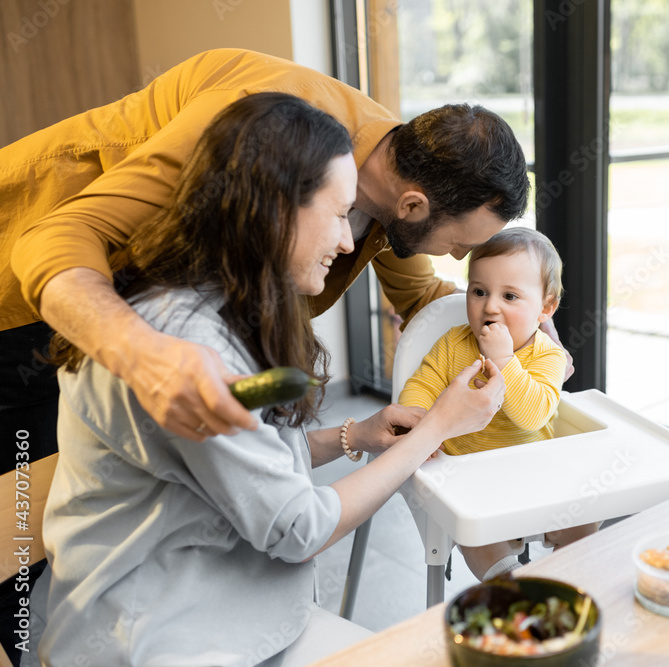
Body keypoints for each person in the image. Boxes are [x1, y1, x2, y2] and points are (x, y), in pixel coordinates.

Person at [29, 93, 506, 666]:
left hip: (239, 620)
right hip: (156, 645)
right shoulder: (192, 344)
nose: (348, 242)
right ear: (274, 213)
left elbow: (241, 458)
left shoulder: (229, 309)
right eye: (335, 215)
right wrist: (438, 430)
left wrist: (358, 435)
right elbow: (297, 528)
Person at [398, 228, 598, 581]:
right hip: (470, 480)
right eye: (479, 291)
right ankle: (509, 585)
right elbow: (421, 386)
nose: (490, 306)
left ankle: (565, 578)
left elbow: (532, 415)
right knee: (471, 529)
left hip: (536, 477)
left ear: (545, 308)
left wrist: (506, 361)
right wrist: (419, 426)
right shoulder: (452, 345)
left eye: (509, 296)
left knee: (587, 510)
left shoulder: (547, 356)